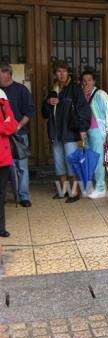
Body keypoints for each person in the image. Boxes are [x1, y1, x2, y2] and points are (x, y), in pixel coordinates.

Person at [41, 61, 91, 203]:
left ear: (68, 72)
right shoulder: (53, 89)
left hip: (70, 132)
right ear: (55, 74)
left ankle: (74, 193)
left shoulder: (75, 88)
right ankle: (63, 191)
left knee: (71, 163)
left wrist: (82, 130)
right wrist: (47, 103)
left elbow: (83, 110)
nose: (61, 74)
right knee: (59, 163)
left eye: (63, 71)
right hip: (55, 132)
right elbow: (44, 113)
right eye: (58, 71)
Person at [0, 62, 35, 208]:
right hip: (2, 136)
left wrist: (18, 126)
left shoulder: (21, 90)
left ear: (8, 73)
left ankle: (24, 196)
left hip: (19, 134)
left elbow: (29, 111)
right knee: (3, 169)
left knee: (22, 167)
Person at [81, 69, 108, 198]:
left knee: (98, 159)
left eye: (89, 80)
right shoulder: (82, 94)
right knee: (89, 159)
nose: (86, 83)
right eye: (84, 81)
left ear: (94, 81)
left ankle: (101, 187)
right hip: (86, 131)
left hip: (98, 131)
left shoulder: (101, 94)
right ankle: (90, 187)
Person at [0, 89, 19, 237]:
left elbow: (12, 125)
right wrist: (3, 124)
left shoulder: (2, 97)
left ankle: (1, 227)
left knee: (1, 193)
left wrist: (4, 126)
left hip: (3, 155)